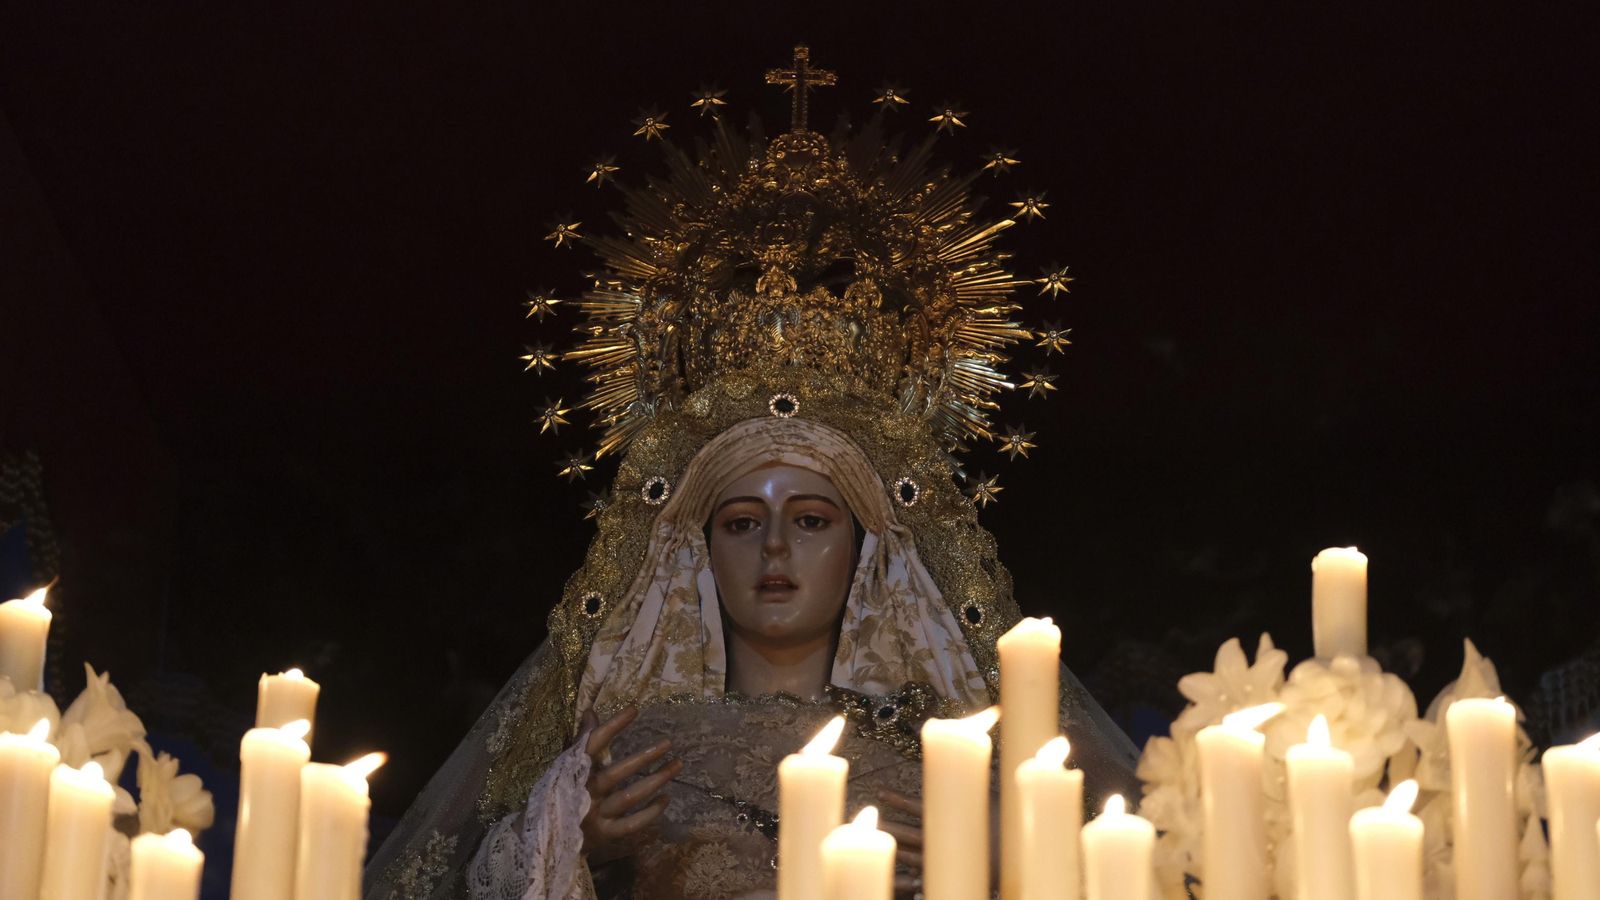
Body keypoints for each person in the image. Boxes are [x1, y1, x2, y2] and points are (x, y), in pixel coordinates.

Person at [364, 74, 1140, 900]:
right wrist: (566, 842)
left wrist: (1015, 862)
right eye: (739, 523)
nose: (774, 547)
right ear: (692, 552)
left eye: (810, 520)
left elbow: (1141, 867)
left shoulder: (953, 754)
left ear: (867, 548)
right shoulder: (631, 754)